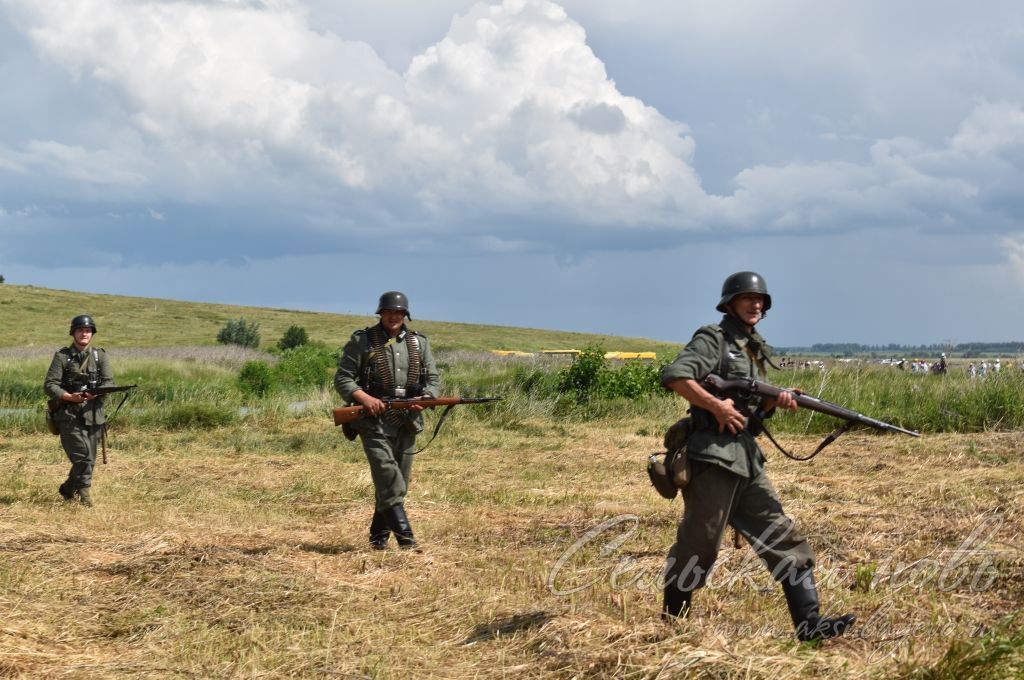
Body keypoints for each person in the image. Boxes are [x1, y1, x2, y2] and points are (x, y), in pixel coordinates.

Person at [659, 272, 855, 642]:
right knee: (699, 545)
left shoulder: (755, 348)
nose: (757, 305)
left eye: (761, 300)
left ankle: (809, 624)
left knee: (782, 536)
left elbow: (753, 415)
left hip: (747, 458)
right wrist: (716, 406)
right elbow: (676, 376)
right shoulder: (713, 339)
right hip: (713, 458)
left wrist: (770, 403)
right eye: (748, 298)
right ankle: (673, 626)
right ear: (730, 302)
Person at [334, 291, 440, 550]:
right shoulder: (363, 341)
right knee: (389, 478)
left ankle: (378, 541)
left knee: (398, 483)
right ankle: (407, 541)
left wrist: (426, 398)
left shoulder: (419, 343)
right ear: (380, 313)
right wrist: (364, 398)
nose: (394, 316)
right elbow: (343, 379)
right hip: (373, 421)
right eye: (390, 312)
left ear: (406, 315)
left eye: (400, 312)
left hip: (407, 421)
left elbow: (434, 381)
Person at [43, 315, 115, 507]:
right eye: (81, 330)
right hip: (69, 416)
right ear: (73, 333)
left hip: (94, 415)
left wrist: (97, 394)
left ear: (92, 333)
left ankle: (67, 489)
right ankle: (85, 499)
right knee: (83, 458)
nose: (85, 333)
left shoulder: (100, 356)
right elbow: (50, 385)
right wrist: (68, 397)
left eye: (88, 330)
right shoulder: (62, 356)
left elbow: (109, 382)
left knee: (89, 462)